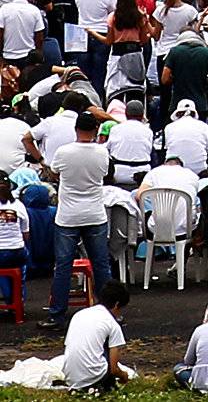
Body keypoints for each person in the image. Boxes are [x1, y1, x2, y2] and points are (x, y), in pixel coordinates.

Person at [48, 110, 112, 326]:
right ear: (95, 130)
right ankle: (109, 311)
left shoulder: (64, 152)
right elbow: (104, 174)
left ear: (76, 129)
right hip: (95, 213)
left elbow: (55, 171)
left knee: (63, 266)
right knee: (101, 265)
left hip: (68, 215)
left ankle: (57, 314)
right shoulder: (102, 153)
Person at [61, 278, 130, 394]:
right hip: (95, 375)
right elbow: (113, 369)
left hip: (70, 376)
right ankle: (99, 387)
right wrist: (123, 375)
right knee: (108, 347)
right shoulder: (112, 324)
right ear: (117, 305)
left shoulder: (79, 314)